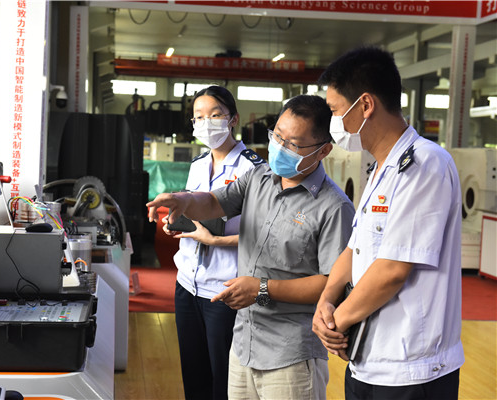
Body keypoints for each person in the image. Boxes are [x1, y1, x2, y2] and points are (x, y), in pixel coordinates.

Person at [148, 95, 355, 400]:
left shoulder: (334, 207)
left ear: (323, 150)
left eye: (293, 144)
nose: (280, 148)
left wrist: (262, 289)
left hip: (290, 355)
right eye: (277, 136)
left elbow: (331, 284)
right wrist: (184, 200)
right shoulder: (260, 177)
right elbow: (216, 201)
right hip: (244, 344)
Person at [312, 46, 464, 400]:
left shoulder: (424, 165)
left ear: (365, 105)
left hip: (412, 371)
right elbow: (355, 248)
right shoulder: (382, 167)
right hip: (369, 360)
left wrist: (337, 321)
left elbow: (394, 268)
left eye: (334, 110)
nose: (334, 123)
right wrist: (326, 300)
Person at [162, 85, 264, 400]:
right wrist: (176, 223)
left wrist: (217, 240)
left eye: (215, 114)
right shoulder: (197, 165)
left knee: (225, 379)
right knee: (194, 375)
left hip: (224, 289)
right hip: (187, 283)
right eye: (199, 117)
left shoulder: (254, 169)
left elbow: (267, 235)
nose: (206, 123)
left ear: (233, 119)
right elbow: (194, 215)